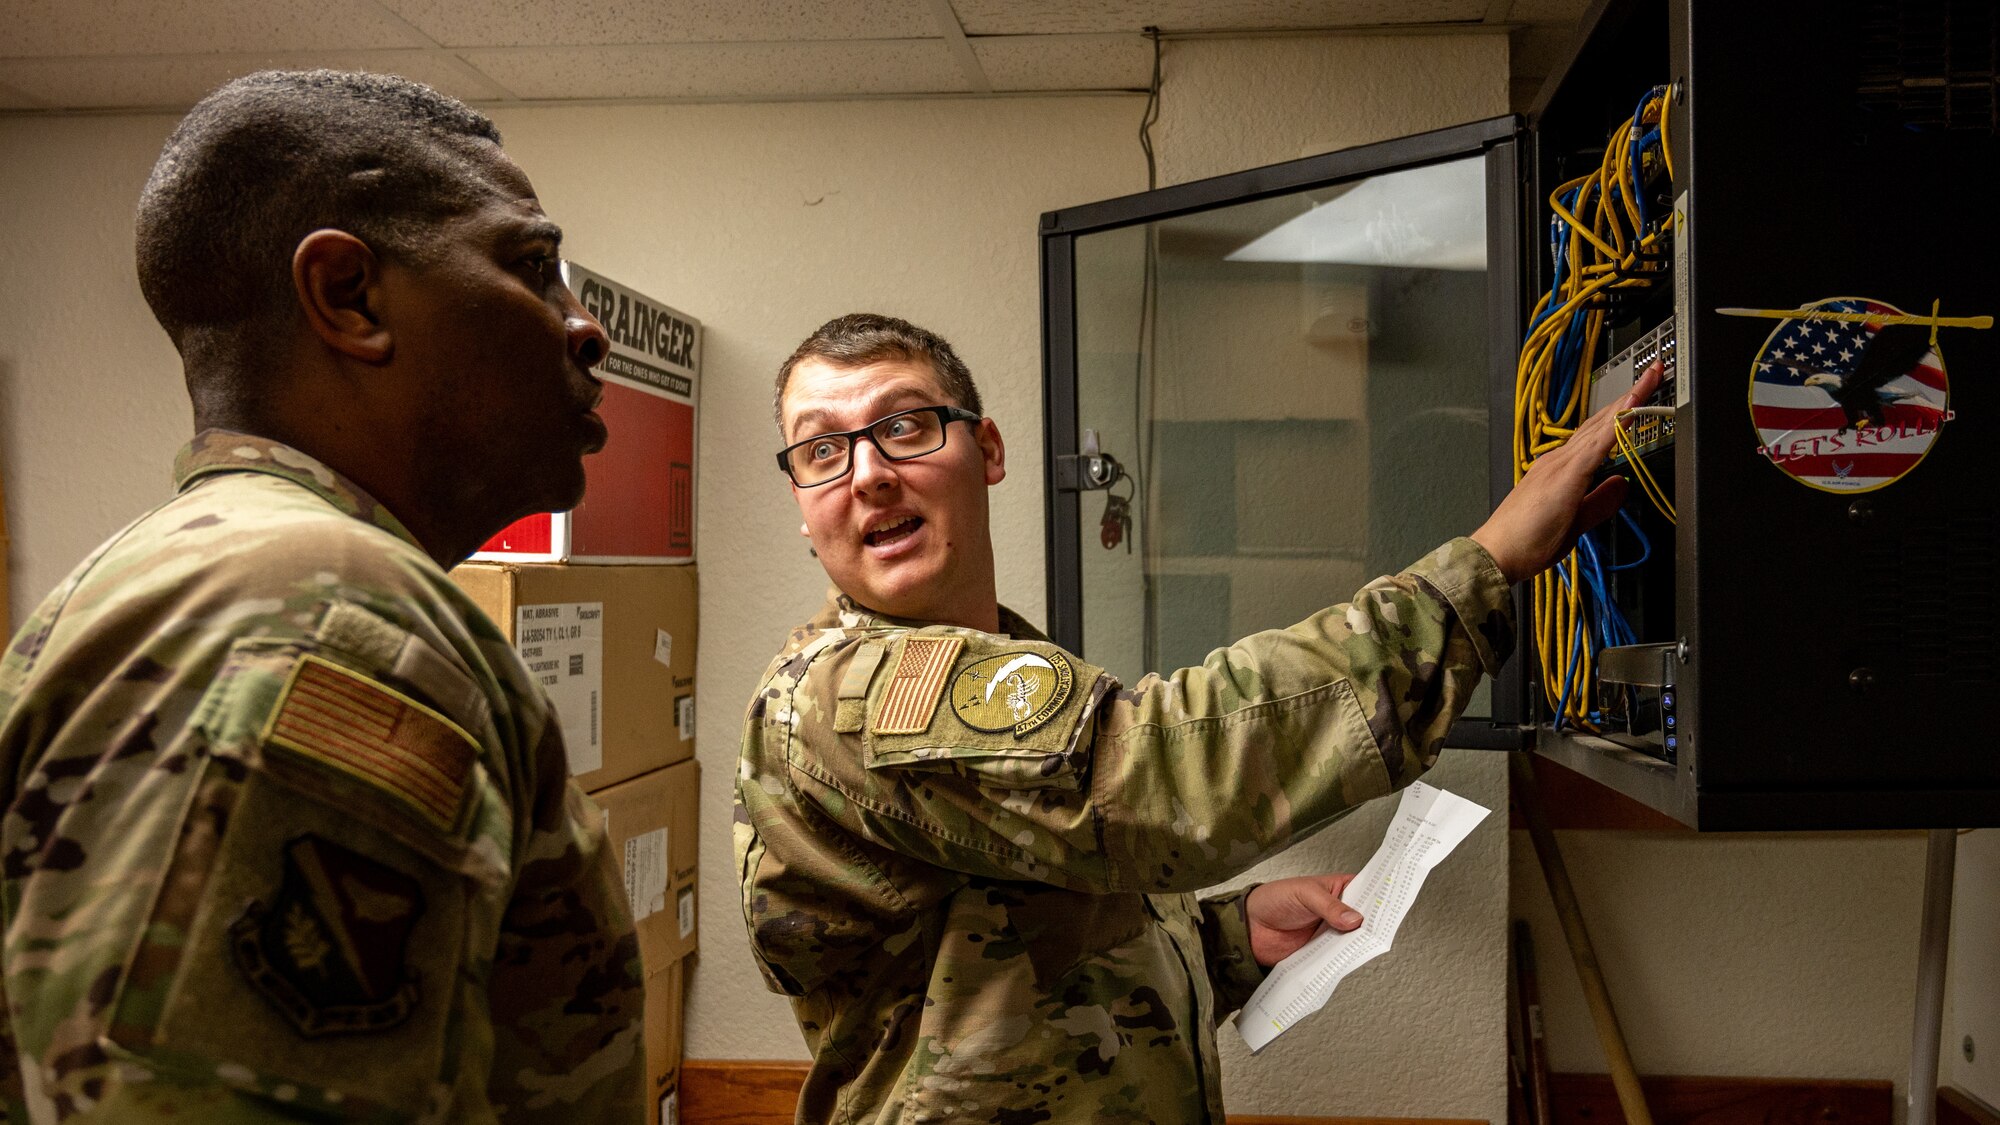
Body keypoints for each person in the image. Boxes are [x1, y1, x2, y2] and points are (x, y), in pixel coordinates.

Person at [737, 313, 1660, 1122]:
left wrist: (1224, 936)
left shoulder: (1006, 667)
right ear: (800, 504)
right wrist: (1482, 570)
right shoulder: (847, 694)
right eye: (822, 449)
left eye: (903, 426)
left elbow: (994, 957)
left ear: (988, 450)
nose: (867, 473)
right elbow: (1153, 777)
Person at [0, 71, 645, 1122]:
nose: (584, 329)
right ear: (347, 296)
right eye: (532, 270)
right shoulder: (328, 616)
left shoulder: (200, 571)